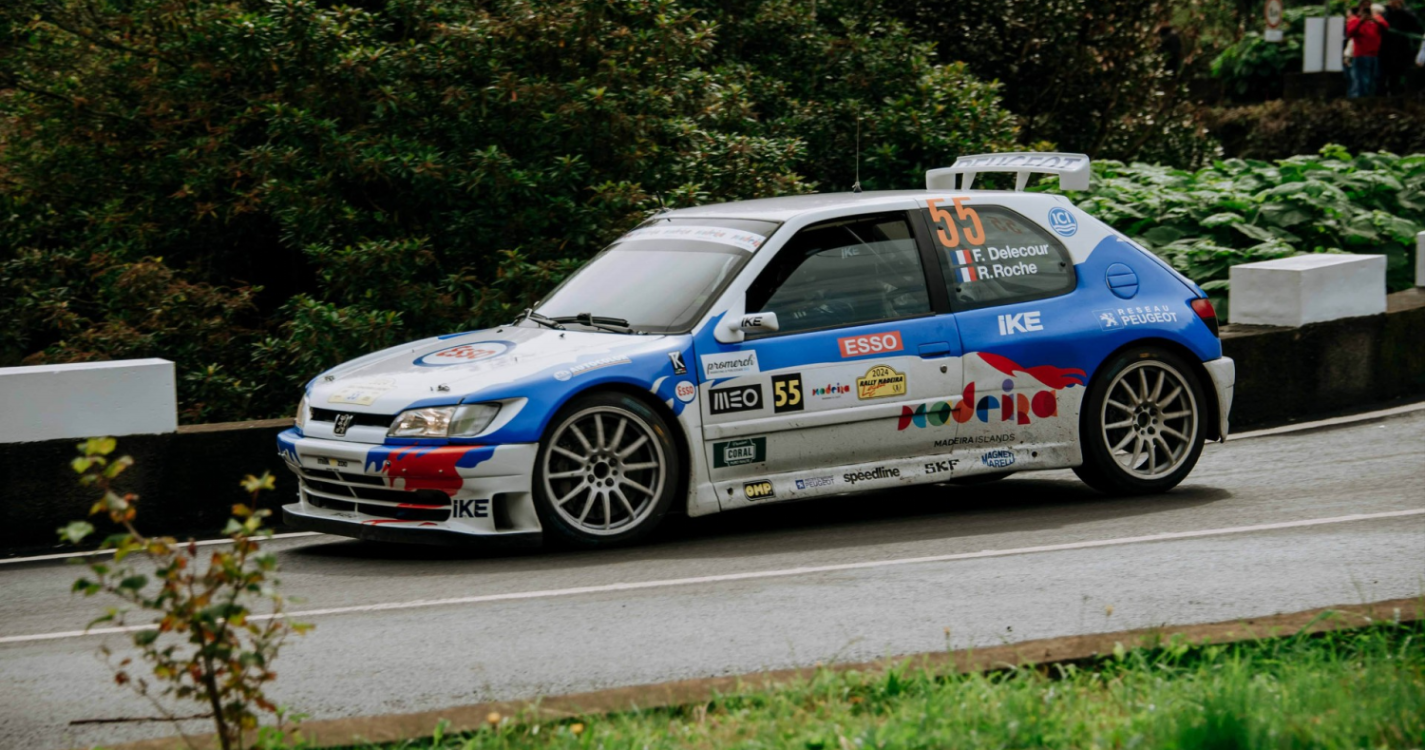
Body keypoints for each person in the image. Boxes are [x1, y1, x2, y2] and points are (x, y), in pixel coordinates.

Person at [1346, 0, 1390, 97]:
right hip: (1361, 54)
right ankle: (1358, 100)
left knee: (1373, 80)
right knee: (1360, 81)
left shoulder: (1377, 18)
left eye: (1368, 4)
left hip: (1374, 54)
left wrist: (1374, 20)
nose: (1366, 7)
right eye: (1364, 5)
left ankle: (1369, 100)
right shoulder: (1354, 19)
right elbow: (1350, 32)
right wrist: (1361, 21)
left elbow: (1386, 27)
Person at [1381, 0, 1423, 94]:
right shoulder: (1385, 12)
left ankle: (1398, 93)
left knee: (1399, 75)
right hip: (1386, 50)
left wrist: (1400, 10)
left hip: (1402, 50)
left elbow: (1416, 24)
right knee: (1383, 75)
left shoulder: (1407, 12)